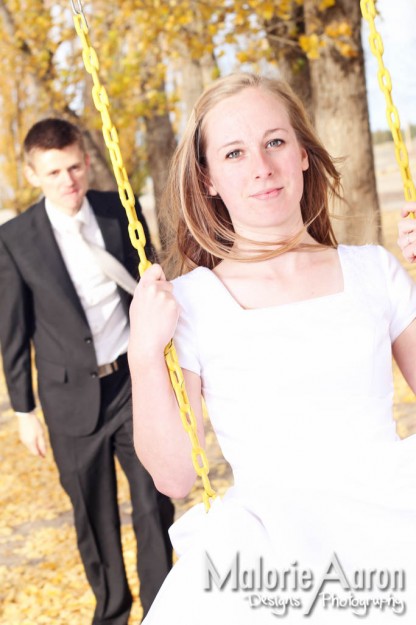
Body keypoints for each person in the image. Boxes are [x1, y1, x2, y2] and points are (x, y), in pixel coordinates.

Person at [128, 73, 416, 624]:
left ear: (303, 154)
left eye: (275, 141)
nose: (261, 165)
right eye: (235, 152)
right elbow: (175, 478)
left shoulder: (373, 271)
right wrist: (144, 356)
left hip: (394, 518)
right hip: (273, 548)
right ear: (208, 178)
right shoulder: (191, 302)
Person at [0, 118, 174, 625]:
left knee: (153, 505)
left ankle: (163, 610)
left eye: (74, 166)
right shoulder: (15, 240)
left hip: (133, 386)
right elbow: (13, 329)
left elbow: (152, 281)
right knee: (94, 519)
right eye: (53, 171)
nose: (67, 180)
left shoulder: (119, 209)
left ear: (87, 160)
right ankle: (113, 614)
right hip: (68, 398)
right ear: (34, 173)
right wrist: (23, 410)